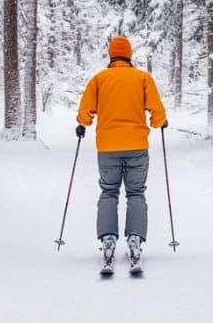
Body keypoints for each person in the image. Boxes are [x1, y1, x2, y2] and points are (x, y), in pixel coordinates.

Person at [75, 35, 167, 273]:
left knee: (109, 192)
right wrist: (160, 121)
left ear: (111, 55)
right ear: (129, 54)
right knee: (136, 192)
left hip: (107, 148)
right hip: (137, 146)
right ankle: (135, 239)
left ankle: (107, 239)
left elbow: (85, 112)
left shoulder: (99, 79)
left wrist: (82, 123)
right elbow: (157, 111)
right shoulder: (142, 78)